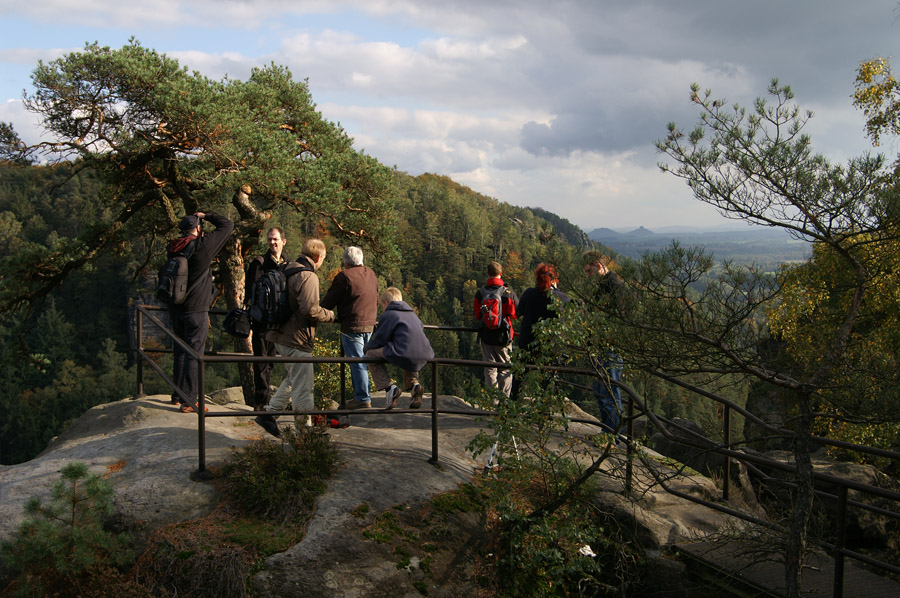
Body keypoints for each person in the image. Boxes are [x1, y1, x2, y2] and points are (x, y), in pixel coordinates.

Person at [255, 239, 335, 437]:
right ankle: (305, 433)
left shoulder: (287, 268)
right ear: (318, 257)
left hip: (279, 334)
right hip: (297, 338)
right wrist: (332, 315)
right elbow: (310, 310)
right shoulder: (308, 276)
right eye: (323, 259)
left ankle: (269, 414)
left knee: (293, 378)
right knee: (304, 386)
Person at [166, 211, 234, 413]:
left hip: (176, 307)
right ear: (197, 229)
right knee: (195, 354)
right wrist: (206, 215)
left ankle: (178, 395)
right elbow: (227, 225)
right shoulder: (201, 248)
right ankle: (189, 400)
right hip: (196, 309)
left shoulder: (174, 247)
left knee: (180, 351)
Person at [320, 246, 379, 409]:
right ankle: (362, 395)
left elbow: (328, 303)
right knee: (363, 361)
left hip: (352, 325)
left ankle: (362, 398)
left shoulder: (344, 277)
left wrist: (318, 312)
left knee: (357, 362)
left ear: (346, 262)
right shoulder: (371, 274)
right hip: (370, 324)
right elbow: (376, 297)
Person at [364, 287, 434, 410]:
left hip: (404, 353)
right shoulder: (413, 315)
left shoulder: (389, 314)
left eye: (382, 306)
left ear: (386, 303)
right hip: (425, 353)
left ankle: (389, 388)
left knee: (370, 355)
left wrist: (365, 348)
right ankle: (414, 386)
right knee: (407, 355)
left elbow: (380, 340)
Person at [510, 263, 571, 400]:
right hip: (551, 347)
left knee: (519, 377)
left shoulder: (529, 293)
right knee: (548, 381)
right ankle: (543, 412)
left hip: (527, 344)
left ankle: (510, 408)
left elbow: (518, 312)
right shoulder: (562, 298)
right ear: (555, 279)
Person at [583, 251, 627, 433]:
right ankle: (607, 433)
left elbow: (618, 320)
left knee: (609, 391)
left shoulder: (614, 288)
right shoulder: (606, 286)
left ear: (598, 266)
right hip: (602, 346)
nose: (587, 276)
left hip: (609, 347)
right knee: (602, 391)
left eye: (588, 271)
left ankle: (612, 437)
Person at [245, 227, 287, 410]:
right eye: (270, 239)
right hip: (262, 321)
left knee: (271, 361)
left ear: (283, 241)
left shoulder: (287, 263)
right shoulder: (259, 264)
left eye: (275, 239)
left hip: (279, 321)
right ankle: (261, 402)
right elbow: (251, 292)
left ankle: (268, 401)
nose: (272, 242)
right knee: (261, 361)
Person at [473, 261, 518, 396]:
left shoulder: (480, 293)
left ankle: (492, 401)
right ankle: (504, 403)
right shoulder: (507, 293)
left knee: (490, 369)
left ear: (488, 273)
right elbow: (515, 314)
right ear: (501, 273)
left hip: (486, 335)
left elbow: (477, 314)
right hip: (504, 336)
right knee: (506, 369)